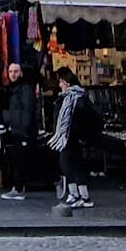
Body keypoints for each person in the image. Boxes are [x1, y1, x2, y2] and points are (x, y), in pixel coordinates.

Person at [47, 66, 96, 212]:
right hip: (68, 137)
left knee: (69, 164)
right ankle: (79, 195)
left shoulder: (74, 98)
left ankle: (80, 195)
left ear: (66, 82)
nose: (59, 84)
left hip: (71, 137)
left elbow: (75, 119)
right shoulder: (71, 97)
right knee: (71, 165)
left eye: (61, 81)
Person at [0, 62, 39, 200]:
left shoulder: (24, 89)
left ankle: (18, 188)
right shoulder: (13, 89)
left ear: (21, 73)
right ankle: (16, 187)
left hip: (22, 129)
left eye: (15, 71)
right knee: (16, 159)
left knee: (20, 160)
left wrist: (9, 118)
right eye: (10, 71)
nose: (13, 74)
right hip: (16, 128)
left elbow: (27, 111)